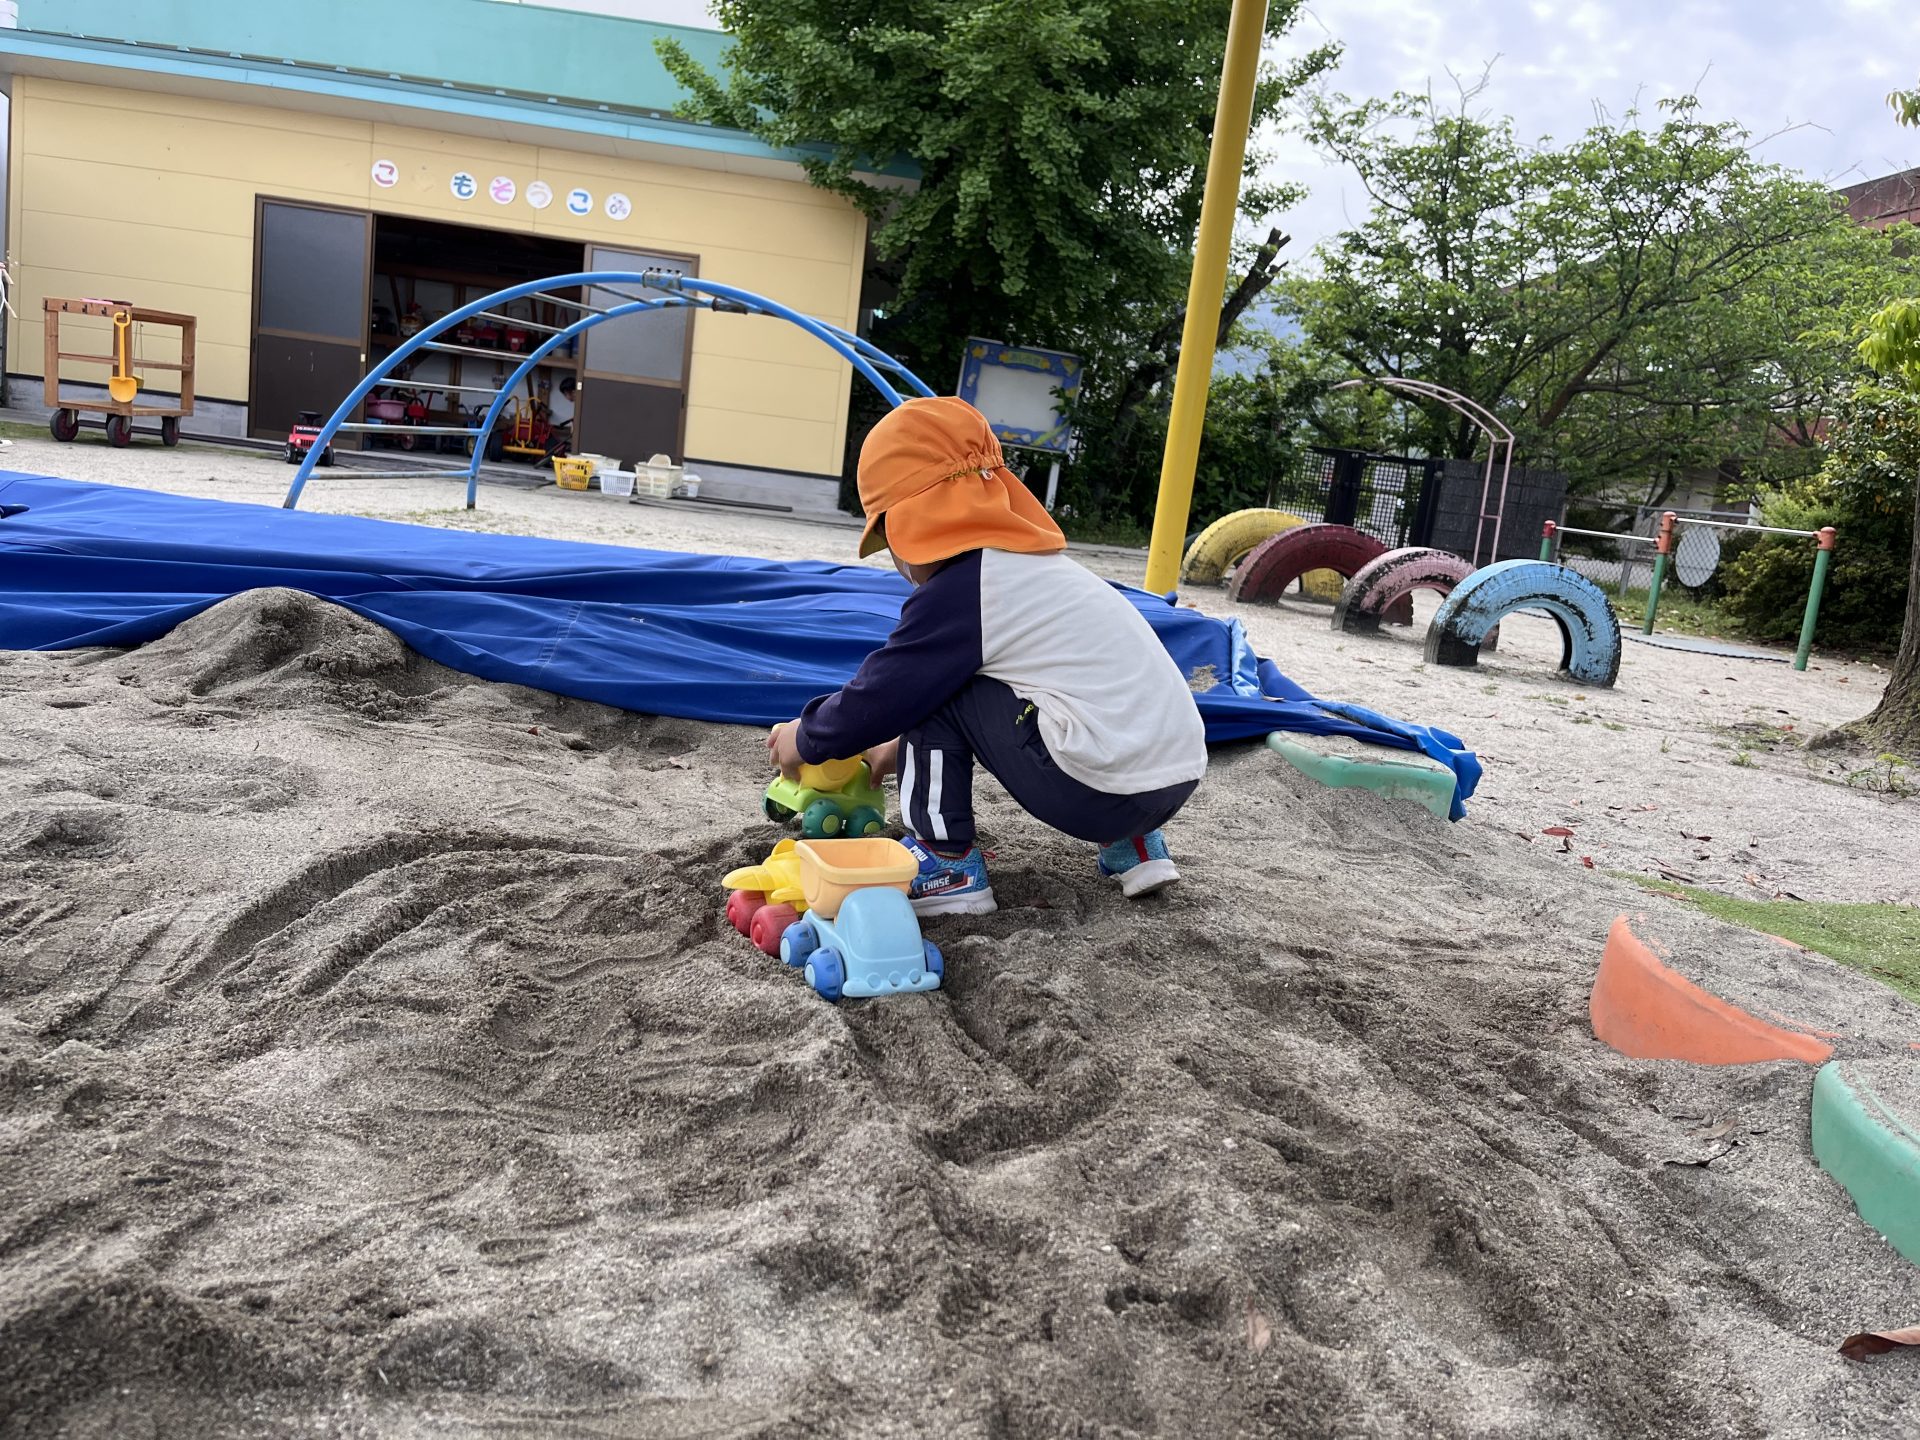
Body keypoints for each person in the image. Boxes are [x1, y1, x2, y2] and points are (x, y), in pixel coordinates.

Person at [768, 396, 1207, 915]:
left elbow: (884, 693)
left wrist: (807, 736)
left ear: (908, 524)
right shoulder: (1043, 571)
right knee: (1031, 691)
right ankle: (1135, 847)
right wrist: (903, 746)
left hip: (1097, 791)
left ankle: (946, 861)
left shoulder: (963, 589)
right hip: (1171, 783)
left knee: (937, 684)